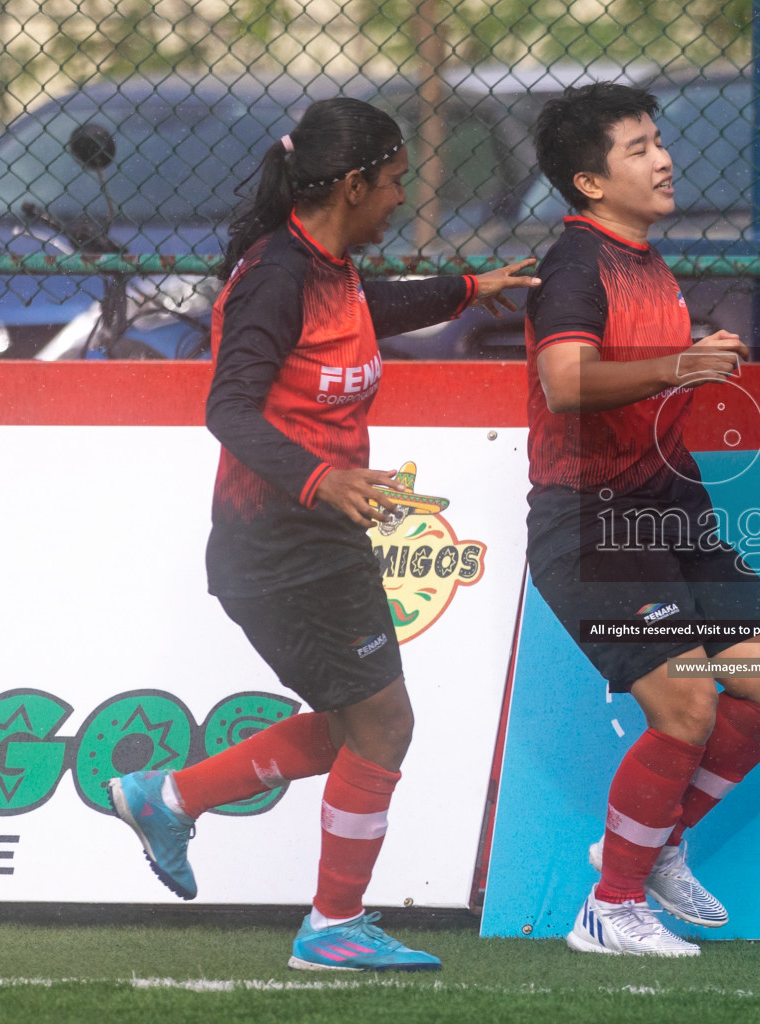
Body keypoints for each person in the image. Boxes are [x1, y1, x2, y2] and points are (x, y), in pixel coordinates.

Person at [105, 97, 538, 972]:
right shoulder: (275, 275)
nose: (398, 199)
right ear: (349, 183)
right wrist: (320, 476)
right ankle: (332, 926)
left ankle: (169, 797)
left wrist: (464, 289)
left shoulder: (323, 265)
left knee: (358, 724)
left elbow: (358, 311)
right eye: (392, 184)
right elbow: (225, 407)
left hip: (310, 541)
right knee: (382, 725)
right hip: (280, 543)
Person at [527, 82, 760, 957]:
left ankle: (653, 841)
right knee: (685, 708)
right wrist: (678, 365)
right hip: (595, 526)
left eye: (659, 140)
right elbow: (564, 381)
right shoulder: (575, 265)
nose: (663, 158)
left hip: (673, 514)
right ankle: (609, 910)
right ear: (589, 181)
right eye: (638, 147)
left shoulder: (647, 258)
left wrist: (685, 363)